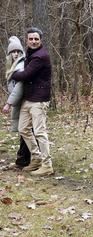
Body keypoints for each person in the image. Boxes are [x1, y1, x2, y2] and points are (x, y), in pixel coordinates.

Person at [11, 27, 53, 176]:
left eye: (36, 39)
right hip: (28, 98)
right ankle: (36, 158)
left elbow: (25, 75)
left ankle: (47, 165)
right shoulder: (29, 53)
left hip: (39, 100)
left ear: (41, 40)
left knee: (40, 132)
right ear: (26, 40)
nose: (33, 41)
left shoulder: (40, 56)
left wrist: (12, 73)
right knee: (23, 129)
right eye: (31, 39)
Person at [2, 36, 31, 169]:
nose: (15, 54)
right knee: (24, 130)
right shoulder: (14, 65)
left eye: (17, 52)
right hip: (21, 102)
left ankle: (25, 159)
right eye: (13, 52)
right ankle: (23, 159)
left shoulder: (20, 65)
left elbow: (19, 87)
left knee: (25, 130)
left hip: (24, 101)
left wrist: (9, 103)